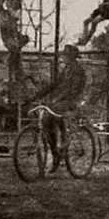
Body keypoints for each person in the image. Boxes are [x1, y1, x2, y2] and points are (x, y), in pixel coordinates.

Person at [33, 44, 87, 172]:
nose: (65, 58)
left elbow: (75, 90)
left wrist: (60, 98)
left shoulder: (79, 70)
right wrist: (38, 94)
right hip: (61, 101)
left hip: (72, 101)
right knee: (46, 121)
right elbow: (55, 84)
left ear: (73, 57)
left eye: (67, 55)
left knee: (54, 114)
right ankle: (55, 151)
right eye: (64, 55)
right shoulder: (66, 69)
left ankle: (61, 147)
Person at [0, 0, 30, 103]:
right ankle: (9, 94)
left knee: (17, 73)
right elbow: (0, 8)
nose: (18, 12)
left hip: (14, 48)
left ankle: (16, 94)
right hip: (12, 47)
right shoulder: (6, 17)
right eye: (16, 9)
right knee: (14, 73)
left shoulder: (11, 19)